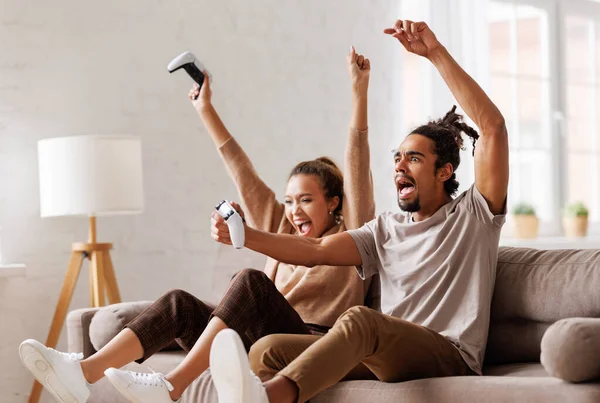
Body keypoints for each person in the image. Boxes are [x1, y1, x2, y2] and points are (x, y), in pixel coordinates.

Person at [18, 47, 376, 403]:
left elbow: (358, 170)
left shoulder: (354, 239)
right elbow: (241, 169)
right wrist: (205, 109)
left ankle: (172, 385)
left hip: (310, 344)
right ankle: (83, 373)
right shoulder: (281, 229)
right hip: (254, 338)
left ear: (333, 202)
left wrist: (359, 93)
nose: (295, 210)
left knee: (250, 281)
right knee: (179, 304)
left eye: (306, 200)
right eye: (290, 201)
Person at [208, 19, 509, 403]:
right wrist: (243, 234)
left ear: (445, 171)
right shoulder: (386, 229)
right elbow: (316, 251)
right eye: (397, 158)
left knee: (363, 321)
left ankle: (268, 397)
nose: (400, 166)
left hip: (447, 354)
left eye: (414, 159)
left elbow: (493, 127)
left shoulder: (474, 215)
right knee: (268, 350)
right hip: (387, 354)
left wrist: (434, 53)